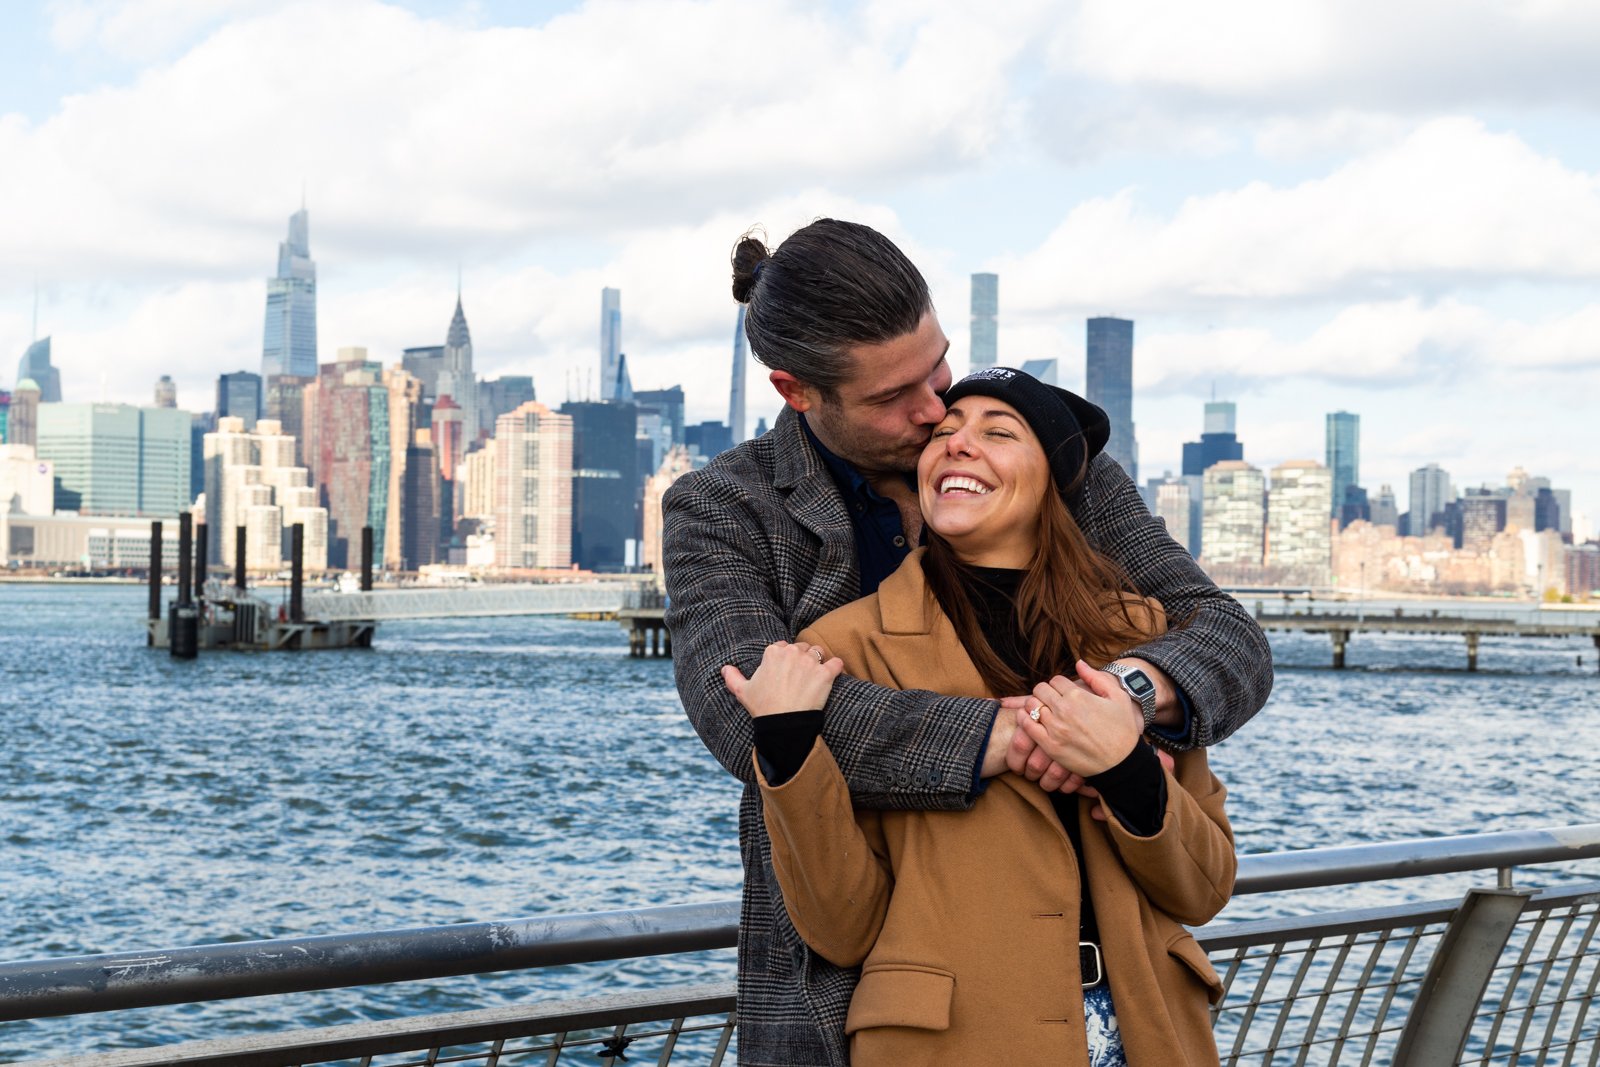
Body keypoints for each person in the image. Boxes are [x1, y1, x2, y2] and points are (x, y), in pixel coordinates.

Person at [662, 219, 1271, 1066]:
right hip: (861, 1002)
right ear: (797, 391)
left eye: (937, 367)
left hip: (1127, 1003)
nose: (933, 411)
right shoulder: (724, 509)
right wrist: (1036, 733)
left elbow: (1226, 637)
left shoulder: (1059, 470)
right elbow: (750, 712)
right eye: (891, 398)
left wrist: (1121, 704)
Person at [723, 367, 1234, 1065]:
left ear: (1053, 481)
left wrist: (1127, 770)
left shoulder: (1138, 639)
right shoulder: (844, 650)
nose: (958, 445)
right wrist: (785, 747)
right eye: (944, 433)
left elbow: (1203, 888)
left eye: (999, 432)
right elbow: (842, 927)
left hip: (1147, 1032)